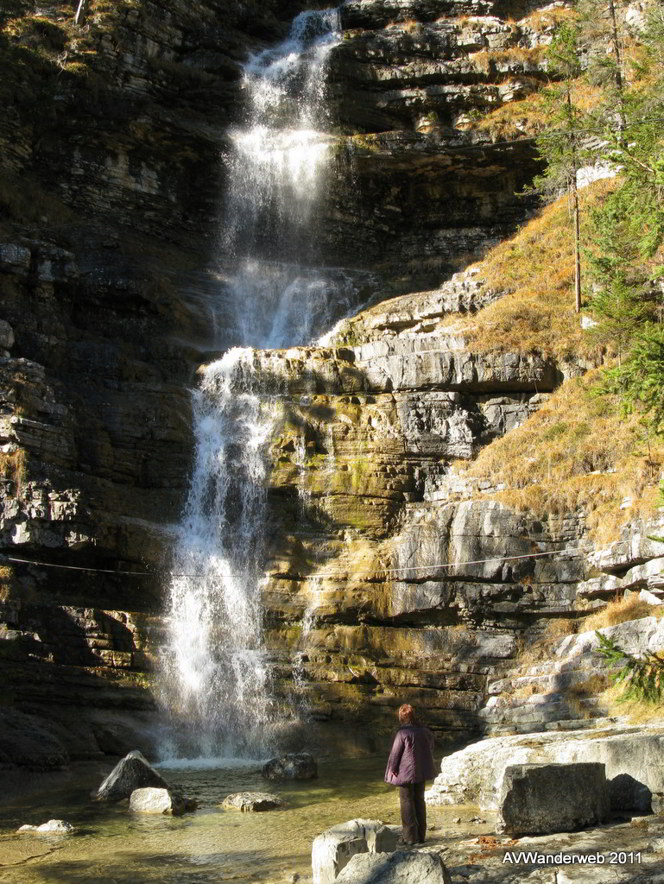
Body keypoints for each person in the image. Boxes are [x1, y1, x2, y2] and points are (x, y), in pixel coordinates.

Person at [384, 703, 436, 845]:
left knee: (406, 802)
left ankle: (409, 837)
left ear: (401, 717)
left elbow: (395, 754)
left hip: (405, 773)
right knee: (419, 800)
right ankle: (421, 835)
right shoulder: (425, 731)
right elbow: (431, 747)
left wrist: (392, 769)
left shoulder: (402, 733)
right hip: (421, 771)